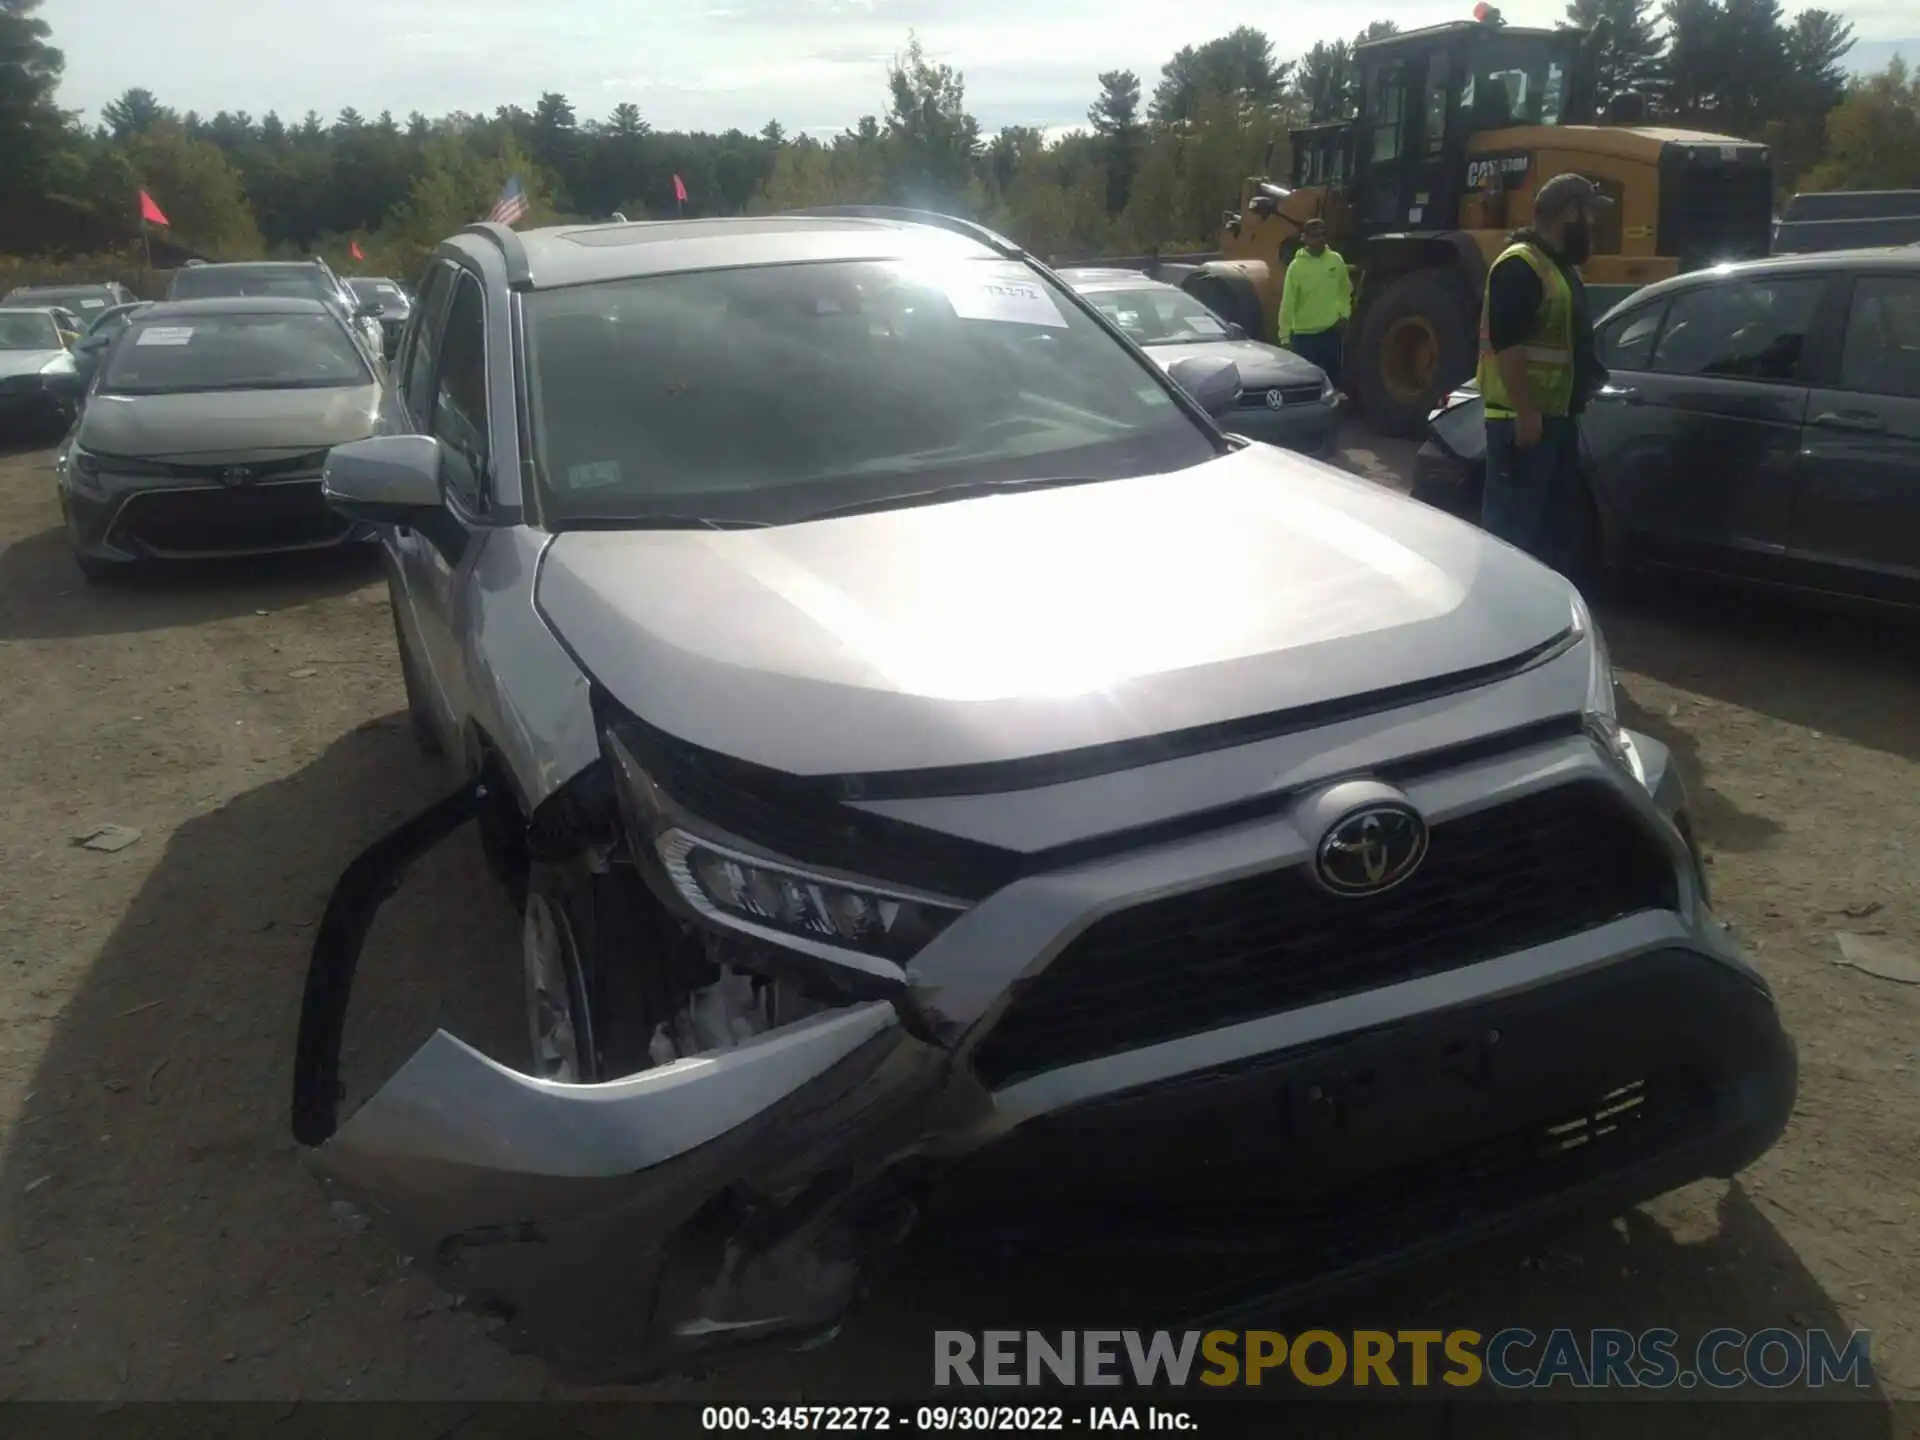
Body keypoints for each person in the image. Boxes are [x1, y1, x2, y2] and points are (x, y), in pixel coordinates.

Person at [1477, 171, 1612, 571]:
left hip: (1554, 420)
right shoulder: (1520, 265)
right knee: (1512, 537)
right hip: (1522, 425)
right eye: (1589, 213)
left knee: (1548, 538)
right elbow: (1509, 344)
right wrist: (1527, 412)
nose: (1593, 223)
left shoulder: (1559, 267)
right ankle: (1498, 616)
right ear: (1570, 211)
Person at [1278, 217, 1352, 390]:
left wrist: (1344, 314)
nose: (1319, 239)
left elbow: (1345, 290)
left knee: (1331, 384)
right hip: (1304, 338)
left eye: (1322, 235)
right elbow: (1288, 303)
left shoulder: (1336, 260)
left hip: (1330, 333)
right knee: (1305, 386)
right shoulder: (1296, 267)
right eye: (1314, 236)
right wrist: (1284, 337)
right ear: (1305, 238)